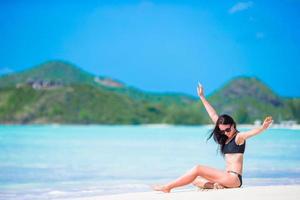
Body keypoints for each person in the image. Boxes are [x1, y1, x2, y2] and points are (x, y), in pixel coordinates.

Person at [153, 83, 273, 192]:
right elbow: (213, 115)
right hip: (227, 178)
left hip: (234, 178)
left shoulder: (239, 137)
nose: (226, 132)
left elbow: (251, 133)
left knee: (198, 168)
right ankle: (216, 186)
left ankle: (168, 187)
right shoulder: (225, 136)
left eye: (228, 129)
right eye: (223, 131)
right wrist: (202, 97)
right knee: (195, 179)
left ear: (233, 125)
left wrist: (263, 128)